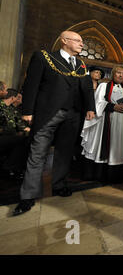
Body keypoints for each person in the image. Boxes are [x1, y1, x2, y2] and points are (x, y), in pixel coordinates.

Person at [13, 31, 95, 216]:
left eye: (82, 42)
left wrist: (90, 108)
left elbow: (87, 88)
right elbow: (31, 84)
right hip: (48, 113)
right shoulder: (44, 57)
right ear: (64, 41)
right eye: (78, 41)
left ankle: (59, 185)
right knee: (38, 153)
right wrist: (27, 111)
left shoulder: (81, 65)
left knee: (64, 153)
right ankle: (28, 196)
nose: (82, 44)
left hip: (73, 114)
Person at [81, 65, 123, 183]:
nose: (120, 75)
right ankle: (102, 175)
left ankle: (122, 174)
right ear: (113, 74)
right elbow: (98, 101)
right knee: (105, 145)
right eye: (118, 72)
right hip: (105, 122)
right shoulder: (104, 86)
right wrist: (112, 106)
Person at [0, 89, 30, 180]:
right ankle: (10, 167)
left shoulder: (11, 108)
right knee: (22, 140)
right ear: (13, 98)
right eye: (18, 97)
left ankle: (14, 167)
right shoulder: (1, 107)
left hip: (9, 135)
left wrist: (24, 129)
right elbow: (7, 127)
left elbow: (19, 123)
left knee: (26, 139)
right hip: (2, 136)